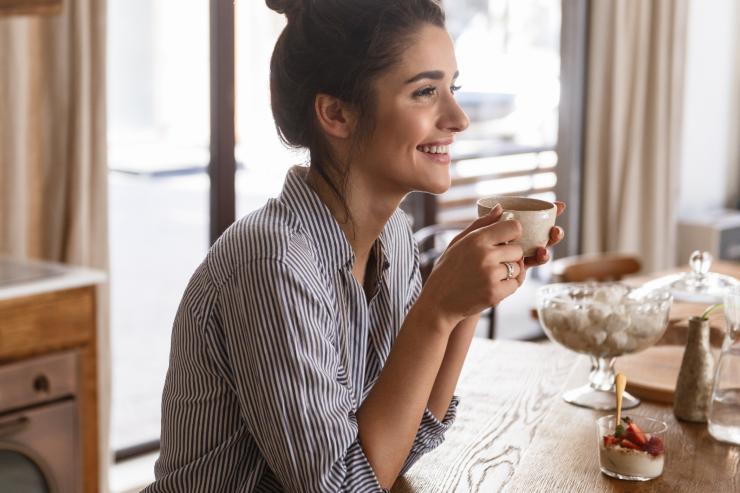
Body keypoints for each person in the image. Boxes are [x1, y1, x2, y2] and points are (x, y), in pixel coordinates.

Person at [144, 0, 564, 491]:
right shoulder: (274, 263)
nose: (458, 118)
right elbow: (344, 486)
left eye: (454, 88)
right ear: (336, 113)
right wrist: (437, 310)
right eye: (426, 92)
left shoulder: (395, 238)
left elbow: (404, 445)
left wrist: (469, 302)